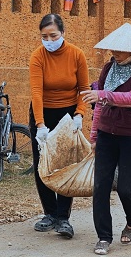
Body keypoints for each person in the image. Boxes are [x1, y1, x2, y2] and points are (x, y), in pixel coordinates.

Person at [81, 23, 131, 255]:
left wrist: (103, 94)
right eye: (113, 49)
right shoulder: (108, 68)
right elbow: (99, 107)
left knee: (125, 187)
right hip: (106, 134)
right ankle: (104, 236)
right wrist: (94, 135)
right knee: (101, 186)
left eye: (121, 50)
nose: (115, 53)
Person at [29, 14, 90, 238]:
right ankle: (50, 213)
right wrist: (40, 125)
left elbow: (83, 87)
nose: (48, 40)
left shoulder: (76, 54)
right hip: (43, 111)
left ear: (62, 33)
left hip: (68, 114)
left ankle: (64, 217)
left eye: (53, 35)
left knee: (66, 163)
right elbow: (36, 91)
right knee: (43, 162)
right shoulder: (38, 56)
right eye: (44, 36)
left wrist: (79, 114)